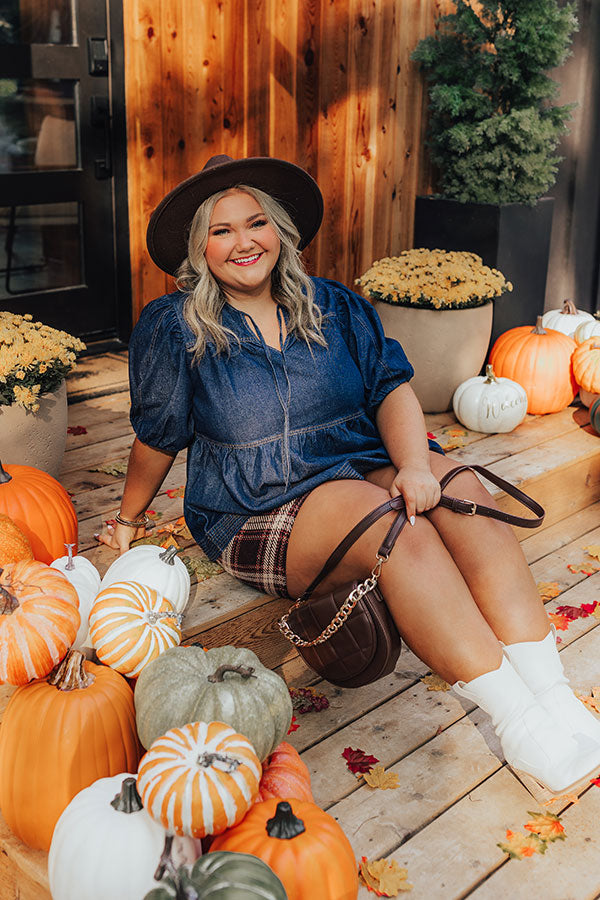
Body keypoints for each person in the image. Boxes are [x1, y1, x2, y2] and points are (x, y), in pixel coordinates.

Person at [97, 153, 600, 794]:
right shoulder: (175, 327)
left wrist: (417, 464)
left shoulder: (332, 303)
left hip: (356, 462)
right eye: (220, 231)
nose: (243, 242)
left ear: (280, 230)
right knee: (393, 525)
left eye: (256, 223)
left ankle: (551, 696)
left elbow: (390, 388)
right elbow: (157, 435)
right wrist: (127, 520)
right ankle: (520, 722)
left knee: (464, 490)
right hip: (255, 505)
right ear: (198, 249)